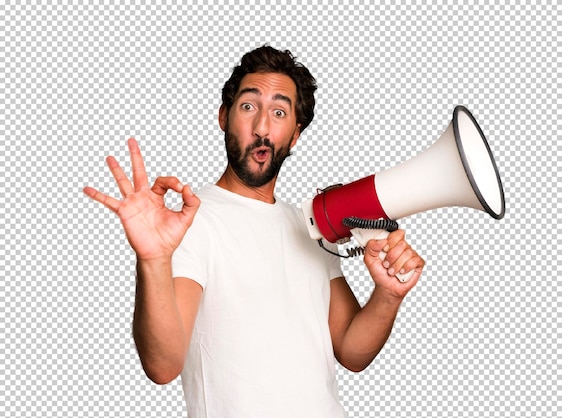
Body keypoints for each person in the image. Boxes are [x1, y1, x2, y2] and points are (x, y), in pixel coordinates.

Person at [84, 45, 425, 418]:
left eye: (279, 112)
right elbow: (163, 366)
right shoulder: (189, 220)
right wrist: (154, 259)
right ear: (224, 117)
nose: (262, 127)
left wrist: (388, 295)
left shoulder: (307, 225)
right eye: (249, 106)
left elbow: (351, 350)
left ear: (294, 135)